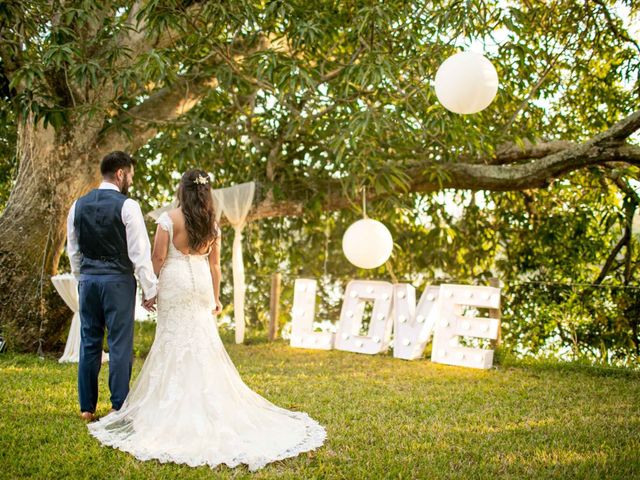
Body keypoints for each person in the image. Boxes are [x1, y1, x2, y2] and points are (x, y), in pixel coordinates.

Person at [87, 169, 326, 471]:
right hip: (200, 283)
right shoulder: (211, 223)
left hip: (174, 282)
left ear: (181, 189)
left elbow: (158, 259)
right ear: (206, 192)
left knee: (172, 339)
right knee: (203, 340)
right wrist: (216, 298)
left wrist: (150, 290)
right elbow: (216, 266)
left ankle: (171, 406)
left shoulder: (167, 219)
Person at [66, 151, 158, 422]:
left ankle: (87, 408)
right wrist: (150, 290)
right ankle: (118, 406)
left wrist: (80, 277)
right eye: (130, 175)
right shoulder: (128, 206)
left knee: (89, 342)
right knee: (119, 344)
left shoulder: (77, 206)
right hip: (117, 281)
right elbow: (139, 253)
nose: (130, 180)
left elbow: (74, 250)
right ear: (120, 174)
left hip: (89, 281)